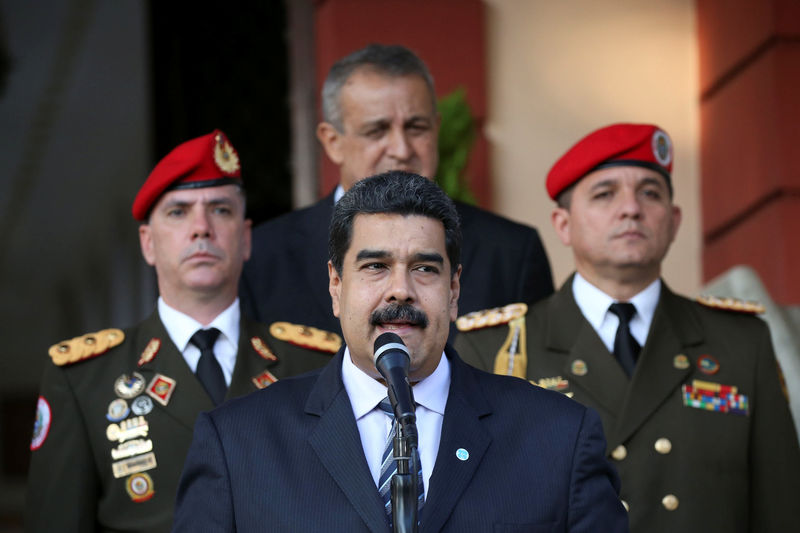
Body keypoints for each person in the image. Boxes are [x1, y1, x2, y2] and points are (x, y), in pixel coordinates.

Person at [173, 171, 628, 532]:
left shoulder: (558, 437)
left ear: (453, 290)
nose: (400, 291)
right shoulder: (238, 444)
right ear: (336, 287)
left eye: (424, 269)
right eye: (375, 266)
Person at [454, 123, 800, 532]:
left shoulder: (741, 343)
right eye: (605, 194)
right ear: (562, 224)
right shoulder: (496, 348)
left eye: (650, 192)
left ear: (673, 221)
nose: (631, 208)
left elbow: (782, 511)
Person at [25, 131, 338, 533]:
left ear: (245, 239)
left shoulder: (314, 361)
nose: (201, 228)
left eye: (220, 210)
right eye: (178, 212)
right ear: (148, 243)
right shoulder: (83, 380)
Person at [240, 43, 553, 336]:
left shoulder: (511, 252)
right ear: (332, 142)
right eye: (377, 130)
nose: (402, 150)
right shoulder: (263, 257)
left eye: (416, 128)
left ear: (436, 128)